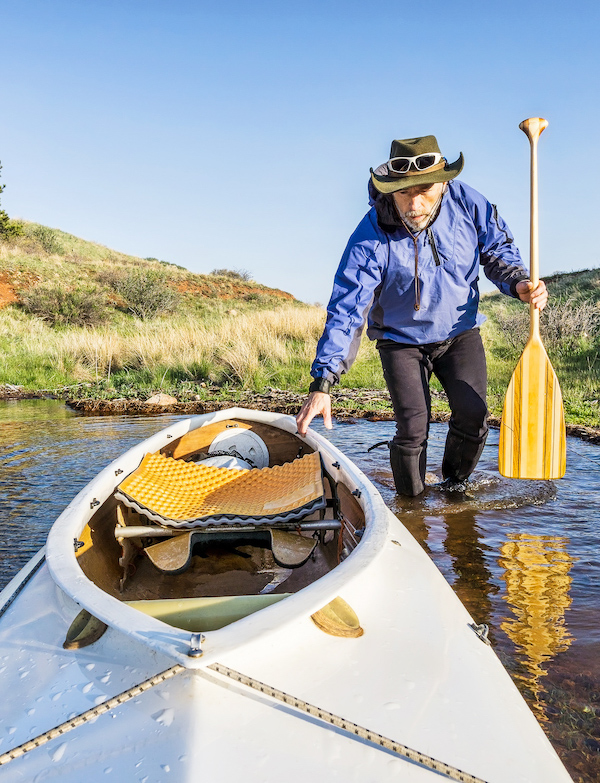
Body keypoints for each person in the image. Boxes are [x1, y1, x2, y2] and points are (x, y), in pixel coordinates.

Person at [296, 134, 548, 496]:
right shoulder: (371, 234)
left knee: (474, 417)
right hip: (400, 342)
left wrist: (518, 281)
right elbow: (348, 308)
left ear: (444, 183)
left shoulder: (468, 204)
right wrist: (323, 383)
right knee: (413, 427)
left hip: (459, 334)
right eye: (403, 192)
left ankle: (453, 488)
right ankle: (410, 510)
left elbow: (496, 249)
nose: (414, 203)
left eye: (424, 190)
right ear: (390, 189)